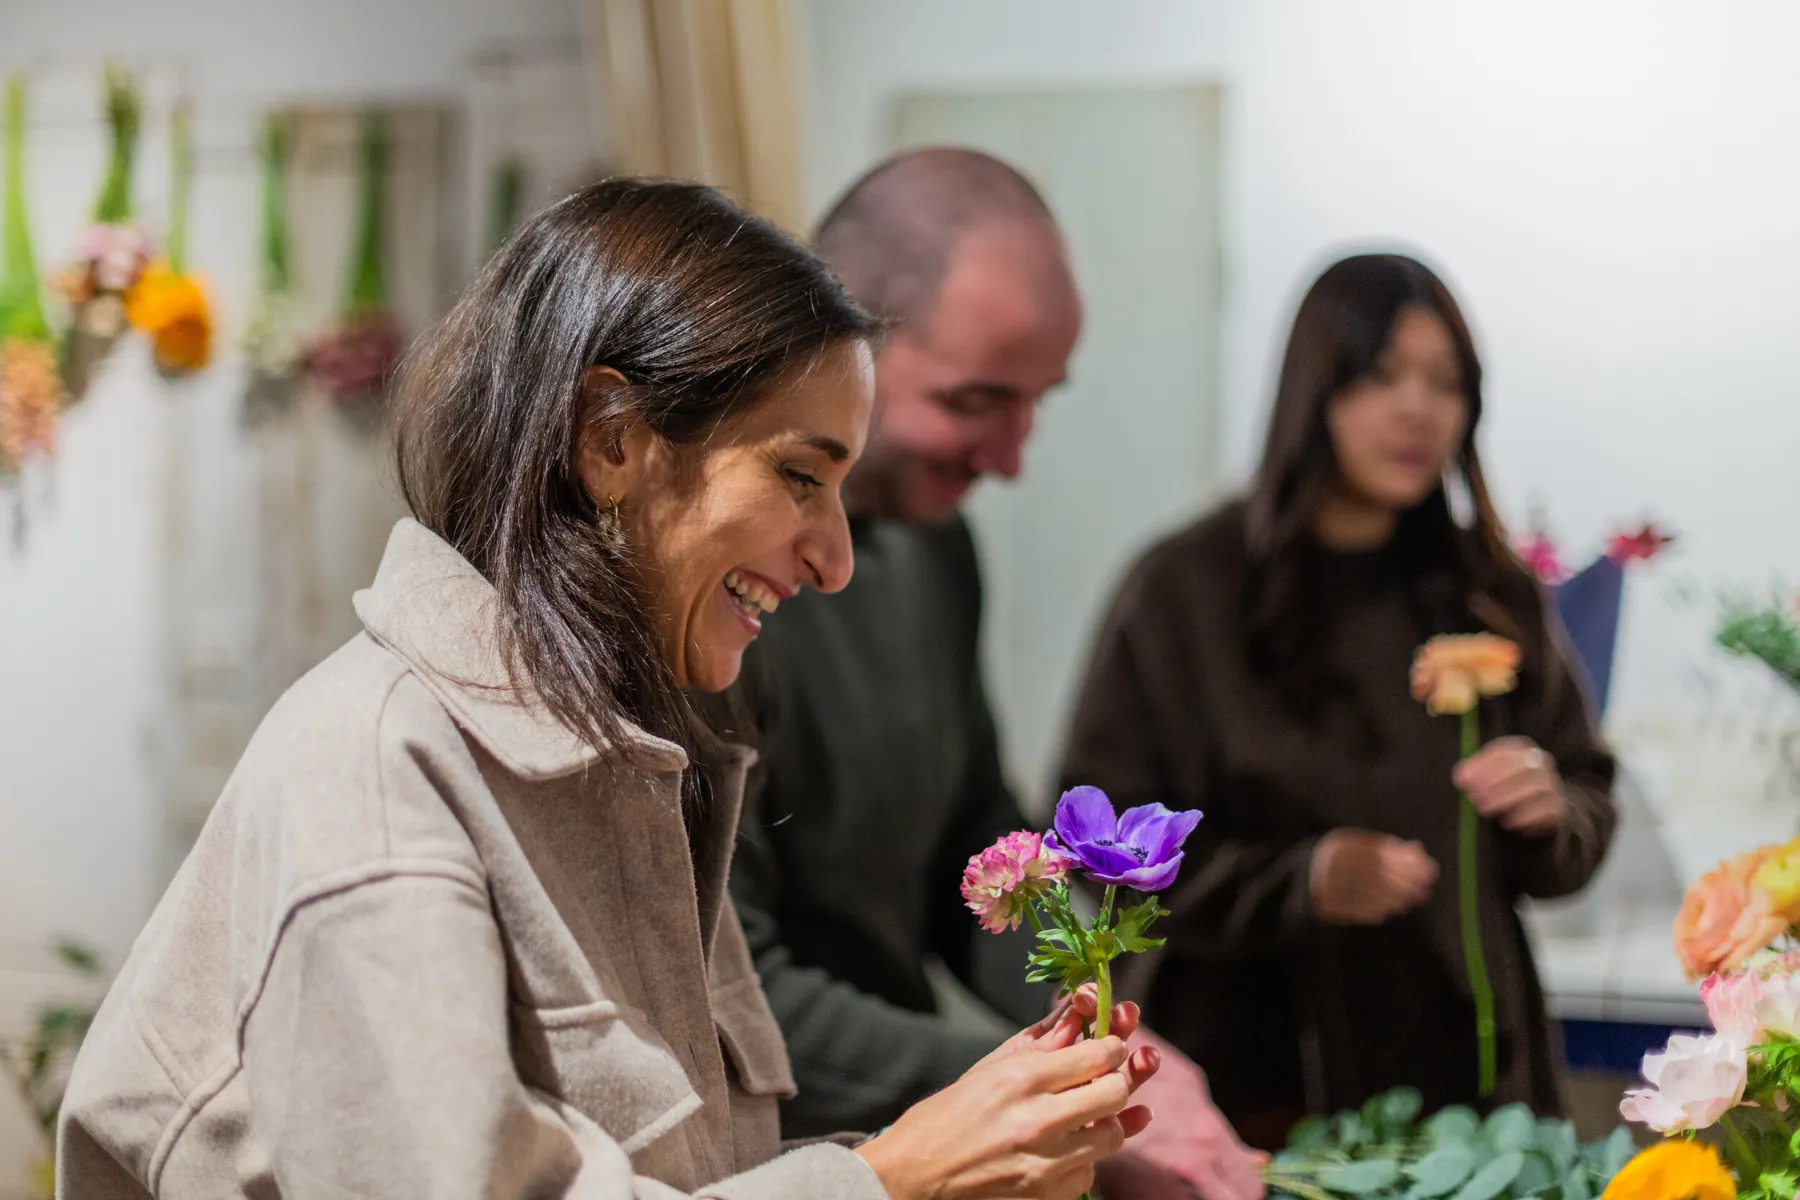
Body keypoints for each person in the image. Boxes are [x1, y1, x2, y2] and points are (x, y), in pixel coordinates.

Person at [55, 179, 1162, 1200]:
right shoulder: (378, 773)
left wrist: (950, 1162)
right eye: (796, 476)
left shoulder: (637, 764)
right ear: (612, 439)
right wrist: (892, 1178)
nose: (835, 560)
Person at [727, 148, 1269, 1200]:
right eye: (978, 400)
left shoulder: (935, 550)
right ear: (843, 346)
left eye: (1036, 403)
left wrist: (1099, 1022)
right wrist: (1041, 1082)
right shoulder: (725, 597)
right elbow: (737, 990)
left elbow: (981, 848)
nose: (1013, 458)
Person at [1058, 253, 1618, 1145]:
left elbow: (1586, 794)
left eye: (1446, 383)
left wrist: (1553, 812)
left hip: (1471, 1099)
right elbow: (1095, 851)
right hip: (1244, 1097)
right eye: (1381, 374)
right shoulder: (1186, 591)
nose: (1417, 409)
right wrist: (1299, 883)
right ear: (1314, 385)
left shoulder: (1485, 590)